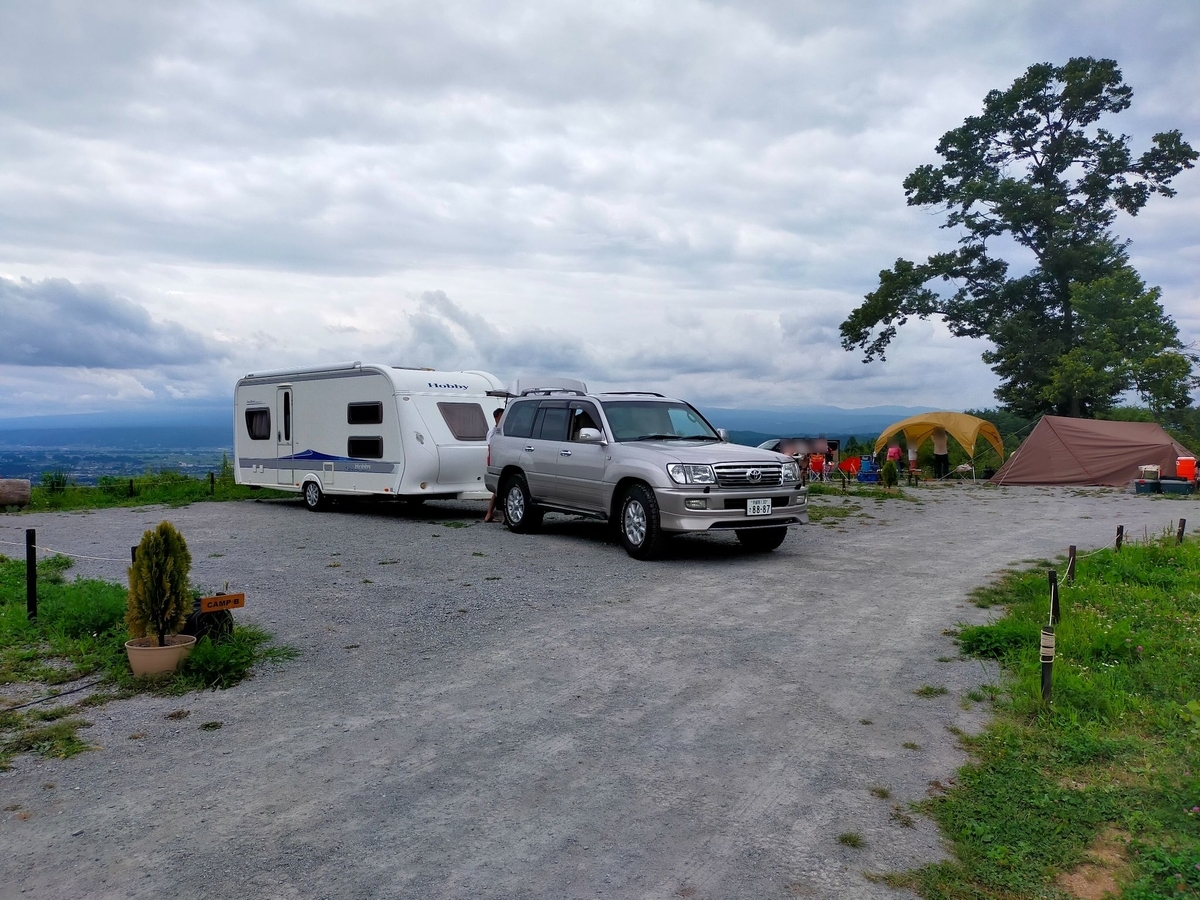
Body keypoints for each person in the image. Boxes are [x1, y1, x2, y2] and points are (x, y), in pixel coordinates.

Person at [483, 408, 504, 523]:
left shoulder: (501, 430)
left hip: (500, 460)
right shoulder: (493, 432)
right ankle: (489, 514)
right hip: (496, 460)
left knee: (498, 490)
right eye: (502, 416)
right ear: (497, 417)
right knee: (497, 490)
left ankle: (489, 514)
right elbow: (492, 446)